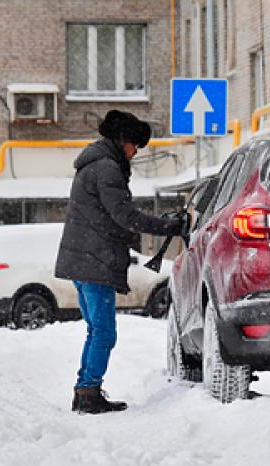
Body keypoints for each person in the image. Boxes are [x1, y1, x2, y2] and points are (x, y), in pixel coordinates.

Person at [55, 110, 185, 415]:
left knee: (95, 330)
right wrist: (169, 227)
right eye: (135, 145)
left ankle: (85, 389)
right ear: (123, 139)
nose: (136, 152)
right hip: (94, 260)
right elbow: (124, 215)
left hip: (86, 258)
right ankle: (88, 391)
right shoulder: (106, 167)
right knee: (104, 332)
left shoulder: (95, 164)